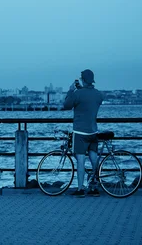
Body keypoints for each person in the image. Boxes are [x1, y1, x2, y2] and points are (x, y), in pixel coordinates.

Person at [63, 69, 104, 197]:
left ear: (83, 80)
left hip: (80, 132)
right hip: (93, 131)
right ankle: (94, 187)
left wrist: (71, 90)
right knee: (93, 159)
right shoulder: (98, 94)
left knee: (80, 161)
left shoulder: (77, 93)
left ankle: (80, 189)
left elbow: (66, 105)